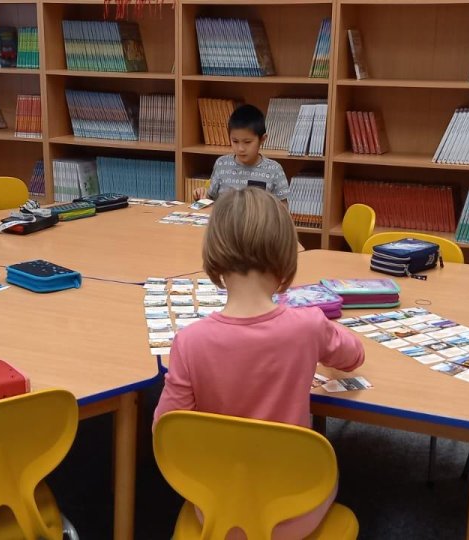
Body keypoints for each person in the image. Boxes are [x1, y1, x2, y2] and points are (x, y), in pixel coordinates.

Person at [154, 187, 364, 539]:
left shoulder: (189, 342)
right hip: (298, 512)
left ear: (214, 257)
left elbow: (166, 431)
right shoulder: (308, 326)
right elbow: (354, 356)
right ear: (286, 257)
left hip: (217, 512)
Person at [192, 104, 290, 203]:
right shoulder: (221, 164)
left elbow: (283, 208)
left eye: (247, 142)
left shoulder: (274, 170)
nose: (241, 149)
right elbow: (210, 198)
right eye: (235, 141)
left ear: (262, 139)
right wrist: (202, 195)